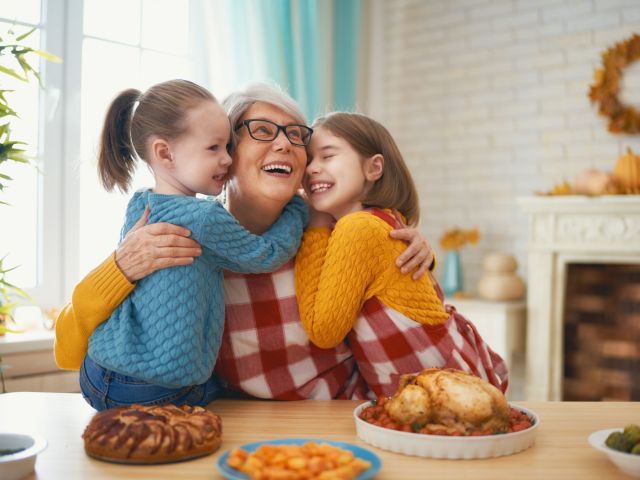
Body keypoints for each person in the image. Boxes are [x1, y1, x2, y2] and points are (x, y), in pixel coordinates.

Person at [55, 83, 496, 402]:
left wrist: (419, 247)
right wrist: (120, 268)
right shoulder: (180, 238)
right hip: (239, 431)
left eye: (296, 135)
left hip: (340, 425)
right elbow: (70, 345)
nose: (285, 143)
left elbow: (412, 319)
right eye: (262, 130)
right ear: (224, 154)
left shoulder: (329, 237)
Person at [76, 79, 308, 410]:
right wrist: (298, 210)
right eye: (214, 149)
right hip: (154, 390)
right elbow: (266, 255)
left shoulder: (140, 203)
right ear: (164, 152)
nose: (226, 159)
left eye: (227, 148)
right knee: (217, 398)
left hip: (97, 372)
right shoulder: (204, 219)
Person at [295, 112, 508, 397]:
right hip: (458, 378)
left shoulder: (356, 228)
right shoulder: (384, 219)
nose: (311, 169)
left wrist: (316, 225)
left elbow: (323, 332)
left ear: (374, 168)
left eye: (328, 155)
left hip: (443, 394)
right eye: (308, 159)